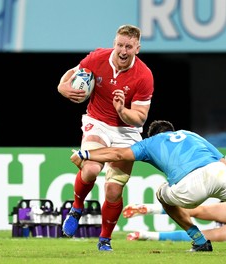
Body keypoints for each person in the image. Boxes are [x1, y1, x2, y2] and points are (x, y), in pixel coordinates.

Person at [70, 120, 226, 252]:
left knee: (161, 194)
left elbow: (118, 152)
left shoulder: (149, 143)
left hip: (189, 185)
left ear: (152, 134)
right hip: (220, 173)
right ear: (172, 130)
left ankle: (200, 241)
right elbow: (224, 162)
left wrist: (87, 153)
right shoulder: (191, 134)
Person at [57, 24, 154, 251]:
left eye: (128, 46)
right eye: (120, 45)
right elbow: (72, 72)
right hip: (98, 122)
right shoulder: (97, 58)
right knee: (90, 169)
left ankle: (104, 240)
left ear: (137, 49)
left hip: (127, 131)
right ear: (114, 43)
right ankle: (77, 207)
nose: (123, 50)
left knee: (113, 190)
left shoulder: (144, 76)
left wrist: (122, 111)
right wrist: (62, 87)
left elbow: (140, 118)